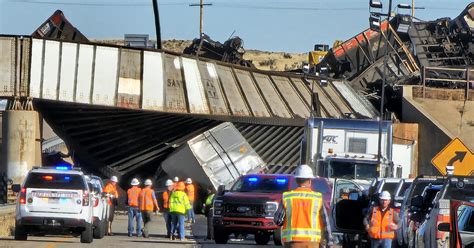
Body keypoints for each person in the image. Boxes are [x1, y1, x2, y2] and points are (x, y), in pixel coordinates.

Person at [275, 164, 332, 248]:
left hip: (292, 243)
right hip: (312, 243)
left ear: (297, 180)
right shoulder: (317, 198)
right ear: (310, 180)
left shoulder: (287, 197)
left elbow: (278, 221)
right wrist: (329, 242)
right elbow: (326, 222)